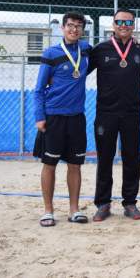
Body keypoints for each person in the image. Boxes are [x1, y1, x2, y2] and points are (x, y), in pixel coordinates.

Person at [87, 8, 140, 222]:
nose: (123, 26)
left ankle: (130, 203)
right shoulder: (100, 50)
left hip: (131, 114)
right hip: (106, 113)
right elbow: (78, 69)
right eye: (119, 22)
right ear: (113, 24)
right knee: (104, 159)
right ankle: (103, 204)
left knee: (132, 159)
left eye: (128, 22)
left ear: (133, 25)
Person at [33, 12, 91, 227]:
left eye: (78, 26)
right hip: (53, 117)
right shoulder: (51, 53)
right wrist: (40, 117)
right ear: (62, 28)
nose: (74, 29)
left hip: (76, 117)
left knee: (75, 165)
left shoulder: (86, 50)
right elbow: (38, 89)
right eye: (70, 25)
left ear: (82, 30)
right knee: (50, 164)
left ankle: (74, 210)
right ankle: (48, 211)